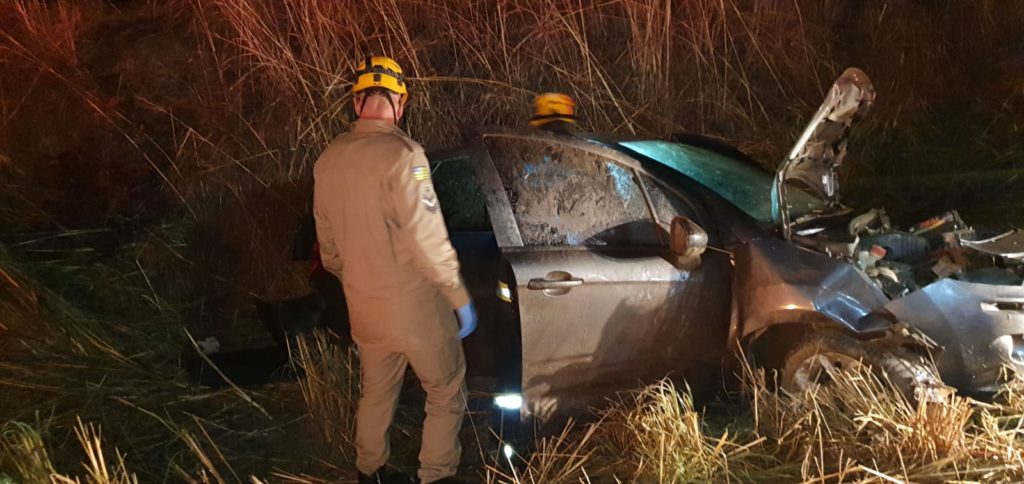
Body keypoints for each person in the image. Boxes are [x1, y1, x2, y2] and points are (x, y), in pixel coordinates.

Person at [312, 55, 477, 484]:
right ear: (401, 104)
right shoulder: (406, 156)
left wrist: (357, 277)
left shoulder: (328, 159)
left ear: (356, 102)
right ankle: (436, 475)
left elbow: (328, 248)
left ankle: (370, 472)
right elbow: (429, 240)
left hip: (363, 308)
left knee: (376, 392)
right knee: (446, 388)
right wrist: (458, 296)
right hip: (416, 310)